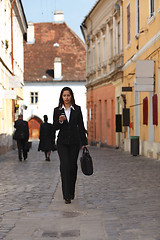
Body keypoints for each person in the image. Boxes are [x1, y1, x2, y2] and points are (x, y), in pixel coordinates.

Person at [53, 87, 88, 204]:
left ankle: (71, 192)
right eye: (64, 96)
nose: (66, 98)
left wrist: (84, 143)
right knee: (65, 166)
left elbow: (81, 126)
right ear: (61, 97)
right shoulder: (57, 110)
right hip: (62, 143)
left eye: (68, 95)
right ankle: (66, 195)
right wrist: (60, 121)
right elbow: (55, 127)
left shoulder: (77, 109)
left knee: (73, 167)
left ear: (71, 96)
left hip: (74, 142)